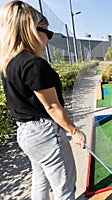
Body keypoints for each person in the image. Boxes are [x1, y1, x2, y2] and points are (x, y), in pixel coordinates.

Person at [0, 1, 86, 199]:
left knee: (40, 180)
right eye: (46, 32)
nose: (48, 38)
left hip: (25, 133)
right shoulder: (34, 64)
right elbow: (52, 106)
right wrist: (74, 131)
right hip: (45, 133)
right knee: (65, 188)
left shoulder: (9, 64)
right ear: (30, 30)